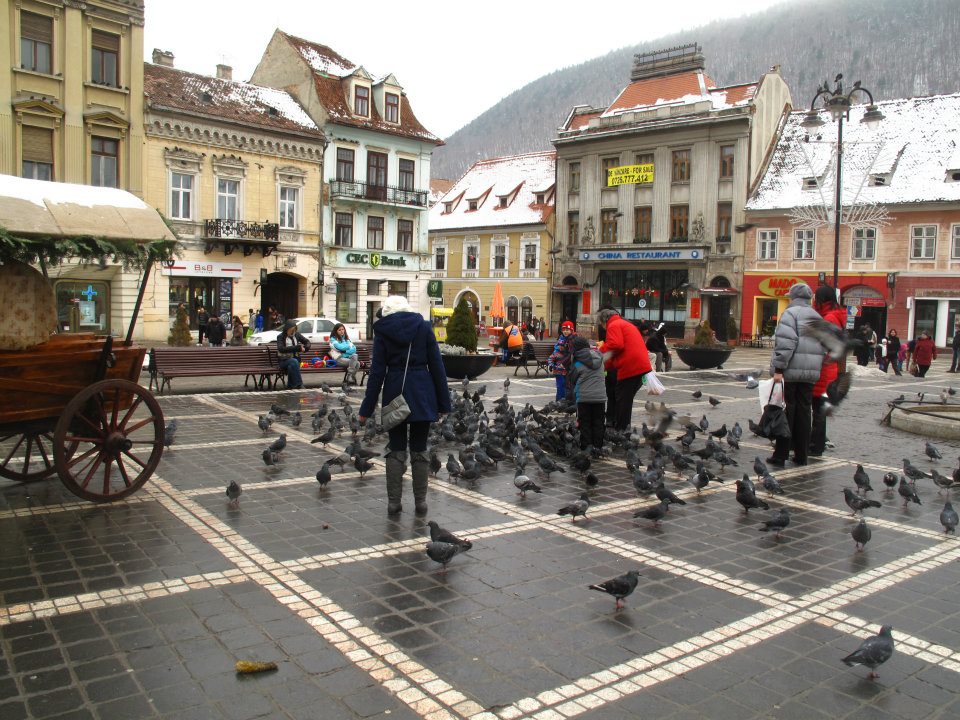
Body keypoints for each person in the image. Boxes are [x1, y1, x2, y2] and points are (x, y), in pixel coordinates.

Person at [358, 296, 450, 516]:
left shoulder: (383, 331)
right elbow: (437, 366)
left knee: (396, 448)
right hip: (422, 393)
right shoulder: (423, 327)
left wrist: (366, 409)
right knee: (419, 448)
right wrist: (444, 402)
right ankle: (420, 502)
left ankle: (393, 503)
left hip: (394, 392)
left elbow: (377, 372)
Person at [768, 283, 823, 467]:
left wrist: (778, 369)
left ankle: (781, 454)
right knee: (804, 412)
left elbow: (786, 343)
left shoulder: (790, 314)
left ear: (793, 297)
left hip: (791, 371)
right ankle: (801, 455)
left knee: (787, 412)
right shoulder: (816, 316)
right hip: (810, 373)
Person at [596, 308, 651, 431]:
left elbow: (616, 345)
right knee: (625, 399)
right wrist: (606, 365)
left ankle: (621, 430)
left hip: (631, 367)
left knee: (622, 399)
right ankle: (624, 427)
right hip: (641, 366)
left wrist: (599, 353)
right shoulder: (625, 324)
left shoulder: (614, 325)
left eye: (601, 325)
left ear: (604, 321)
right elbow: (617, 350)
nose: (603, 328)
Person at [810, 286, 845, 457]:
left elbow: (824, 345)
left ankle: (816, 445)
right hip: (829, 369)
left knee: (818, 409)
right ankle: (817, 442)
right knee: (819, 408)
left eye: (816, 298)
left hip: (824, 370)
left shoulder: (830, 318)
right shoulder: (834, 315)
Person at [568, 336, 606, 455]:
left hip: (584, 397)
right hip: (600, 397)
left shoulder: (578, 362)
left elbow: (572, 379)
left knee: (585, 423)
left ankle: (586, 448)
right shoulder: (599, 358)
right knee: (598, 422)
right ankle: (597, 447)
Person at [596, 304, 618, 427]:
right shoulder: (618, 322)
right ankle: (612, 418)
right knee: (614, 393)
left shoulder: (611, 325)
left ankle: (611, 418)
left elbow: (610, 345)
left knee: (611, 392)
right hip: (613, 363)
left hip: (611, 362)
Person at [277, 319, 311, 389]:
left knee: (291, 366)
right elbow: (281, 349)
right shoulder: (281, 337)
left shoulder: (297, 335)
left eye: (294, 330)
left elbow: (307, 341)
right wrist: (297, 348)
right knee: (294, 362)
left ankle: (290, 385)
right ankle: (299, 384)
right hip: (284, 361)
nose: (293, 332)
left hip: (295, 360)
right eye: (292, 330)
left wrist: (306, 347)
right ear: (287, 329)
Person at [548, 320, 576, 400]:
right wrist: (551, 362)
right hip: (558, 367)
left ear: (571, 330)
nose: (565, 331)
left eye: (567, 330)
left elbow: (570, 353)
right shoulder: (561, 339)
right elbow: (555, 351)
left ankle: (563, 401)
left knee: (565, 385)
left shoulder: (571, 340)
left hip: (565, 366)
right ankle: (560, 400)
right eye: (564, 330)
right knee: (560, 385)